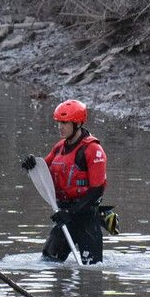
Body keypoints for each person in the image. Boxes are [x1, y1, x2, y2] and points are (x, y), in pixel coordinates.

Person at [21, 98, 108, 264]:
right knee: (49, 258)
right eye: (59, 122)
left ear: (78, 124)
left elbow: (97, 190)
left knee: (91, 269)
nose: (60, 127)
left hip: (86, 218)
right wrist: (31, 164)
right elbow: (43, 171)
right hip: (64, 216)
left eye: (65, 123)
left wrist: (71, 212)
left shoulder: (93, 150)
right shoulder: (59, 147)